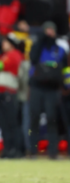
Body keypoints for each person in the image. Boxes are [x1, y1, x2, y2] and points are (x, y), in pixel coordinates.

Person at [28, 21, 67, 158]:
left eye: (52, 30)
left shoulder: (60, 49)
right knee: (34, 119)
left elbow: (64, 68)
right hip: (37, 87)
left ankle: (53, 153)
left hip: (52, 89)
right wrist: (41, 41)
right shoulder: (37, 47)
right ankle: (33, 151)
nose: (50, 33)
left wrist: (64, 86)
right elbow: (32, 59)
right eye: (47, 30)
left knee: (52, 120)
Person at [0, 33, 24, 158]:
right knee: (4, 124)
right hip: (0, 94)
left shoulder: (14, 55)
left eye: (5, 42)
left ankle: (16, 150)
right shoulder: (5, 55)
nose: (3, 44)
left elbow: (0, 66)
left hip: (9, 93)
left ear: (11, 44)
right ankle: (8, 149)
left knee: (12, 123)